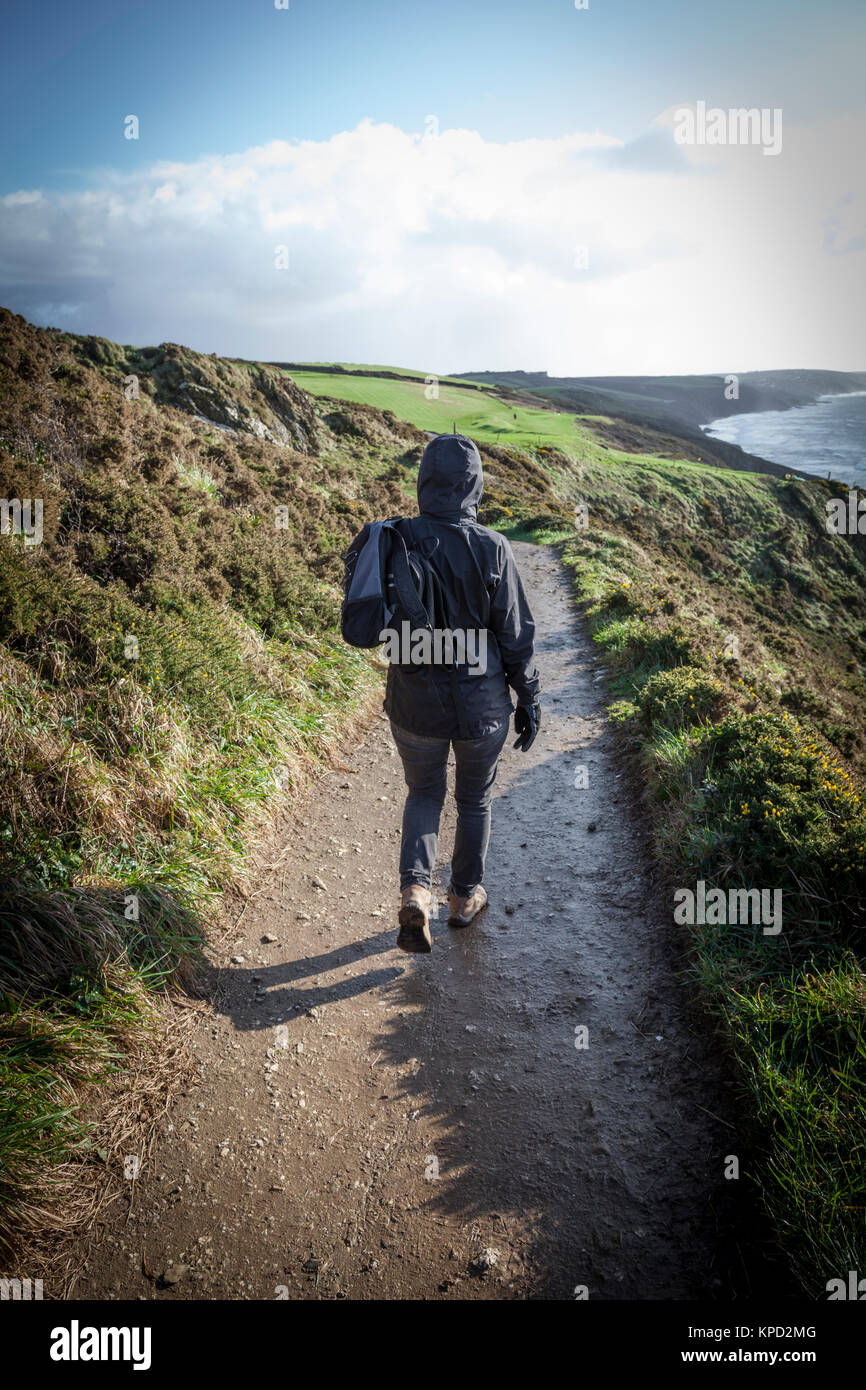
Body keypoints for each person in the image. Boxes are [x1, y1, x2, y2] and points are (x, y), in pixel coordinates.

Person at [345, 433, 540, 953]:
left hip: (414, 703)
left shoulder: (395, 537)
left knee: (423, 793)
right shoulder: (493, 546)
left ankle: (415, 891)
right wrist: (529, 698)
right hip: (483, 708)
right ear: (473, 484)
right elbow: (515, 635)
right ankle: (461, 899)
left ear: (424, 481)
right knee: (474, 798)